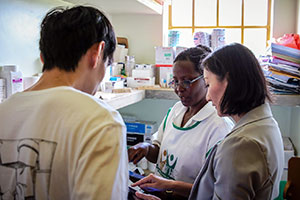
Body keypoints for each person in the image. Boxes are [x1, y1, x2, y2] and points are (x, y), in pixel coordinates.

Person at [0, 6, 128, 200]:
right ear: (97, 53)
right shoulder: (101, 121)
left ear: (44, 57)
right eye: (107, 65)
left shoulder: (4, 111)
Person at [133, 43, 285, 200]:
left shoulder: (240, 143)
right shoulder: (266, 123)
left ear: (229, 82)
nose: (208, 96)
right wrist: (169, 185)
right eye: (175, 81)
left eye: (208, 84)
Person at [128, 45, 233, 198]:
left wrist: (168, 188)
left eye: (187, 81)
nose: (179, 89)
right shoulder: (176, 110)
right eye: (175, 81)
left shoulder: (219, 127)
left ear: (206, 80)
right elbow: (159, 153)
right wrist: (145, 148)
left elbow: (214, 190)